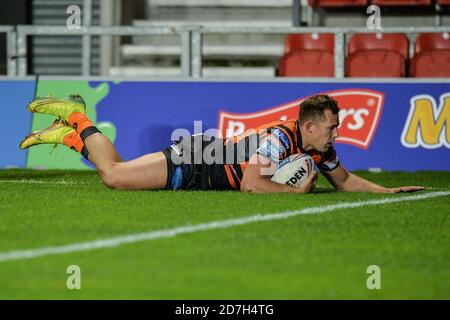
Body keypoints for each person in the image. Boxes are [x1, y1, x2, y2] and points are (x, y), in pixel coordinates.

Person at [20, 94, 424, 194]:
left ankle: (73, 136)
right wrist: (292, 190)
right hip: (196, 163)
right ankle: (78, 118)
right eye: (332, 127)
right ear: (310, 126)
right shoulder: (280, 138)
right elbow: (251, 184)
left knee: (120, 170)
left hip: (204, 160)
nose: (337, 133)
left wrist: (388, 190)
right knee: (112, 177)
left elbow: (345, 180)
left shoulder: (319, 149)